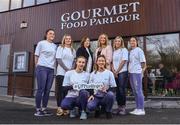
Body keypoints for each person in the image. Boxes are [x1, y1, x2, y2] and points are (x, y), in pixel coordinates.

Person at [34, 29, 57, 116]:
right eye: (50, 33)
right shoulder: (41, 43)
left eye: (53, 34)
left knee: (47, 90)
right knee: (41, 89)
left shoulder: (55, 46)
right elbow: (36, 55)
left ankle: (44, 109)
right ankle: (38, 109)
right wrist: (37, 67)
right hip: (42, 68)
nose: (52, 35)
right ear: (46, 35)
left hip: (51, 69)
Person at [87, 55, 117, 119]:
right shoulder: (92, 74)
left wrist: (107, 90)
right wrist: (91, 94)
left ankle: (108, 111)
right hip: (96, 96)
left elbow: (114, 87)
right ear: (97, 62)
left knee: (111, 95)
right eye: (99, 61)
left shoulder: (109, 73)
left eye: (102, 61)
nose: (101, 62)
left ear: (105, 62)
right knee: (90, 106)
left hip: (105, 96)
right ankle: (97, 109)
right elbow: (89, 87)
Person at [56, 34, 76, 116]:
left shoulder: (73, 50)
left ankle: (65, 107)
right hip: (61, 72)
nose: (68, 40)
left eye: (69, 39)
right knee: (60, 91)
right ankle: (60, 107)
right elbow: (59, 59)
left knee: (67, 91)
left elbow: (74, 61)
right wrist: (66, 69)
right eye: (66, 39)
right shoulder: (60, 48)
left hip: (69, 75)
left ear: (71, 40)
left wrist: (71, 69)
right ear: (64, 40)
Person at [128, 37, 146, 115]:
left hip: (137, 73)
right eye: (131, 41)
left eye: (134, 41)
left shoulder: (139, 50)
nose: (132, 42)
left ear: (136, 42)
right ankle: (137, 108)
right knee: (135, 91)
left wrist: (141, 72)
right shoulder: (131, 51)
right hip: (131, 73)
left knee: (138, 91)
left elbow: (143, 63)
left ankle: (141, 109)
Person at [111, 36, 128, 115]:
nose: (117, 42)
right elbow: (112, 62)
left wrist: (117, 71)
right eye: (116, 41)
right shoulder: (114, 51)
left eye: (119, 41)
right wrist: (113, 71)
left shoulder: (124, 50)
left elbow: (124, 61)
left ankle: (123, 108)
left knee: (121, 90)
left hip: (122, 72)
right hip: (115, 73)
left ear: (121, 42)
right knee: (117, 90)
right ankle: (119, 107)